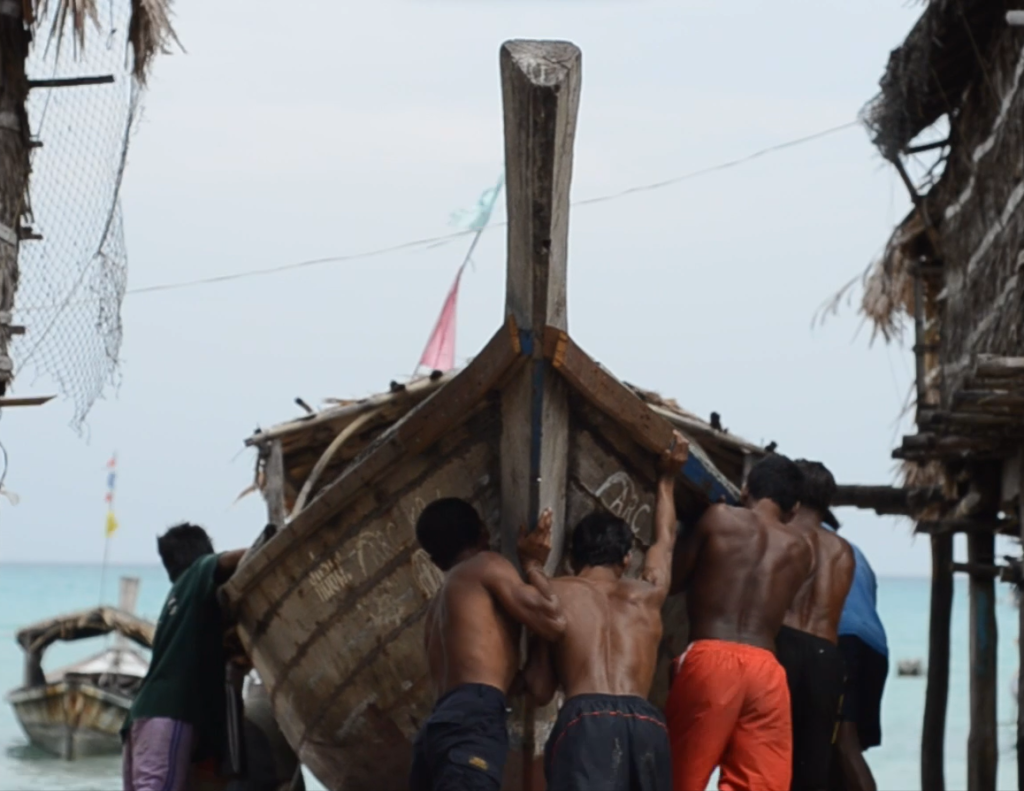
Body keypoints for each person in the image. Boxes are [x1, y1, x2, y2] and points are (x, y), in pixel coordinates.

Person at [522, 431, 689, 790]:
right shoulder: (649, 593)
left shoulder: (554, 592)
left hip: (586, 722)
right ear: (627, 559)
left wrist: (532, 567)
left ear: (571, 557)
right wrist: (668, 478)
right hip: (646, 723)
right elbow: (665, 541)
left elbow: (539, 689)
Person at [665, 453, 814, 791]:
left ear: (746, 489)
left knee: (681, 777)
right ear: (793, 509)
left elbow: (672, 582)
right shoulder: (801, 549)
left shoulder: (718, 518)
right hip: (766, 670)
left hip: (711, 658)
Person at [410, 498, 566, 791]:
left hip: (435, 730)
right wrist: (533, 565)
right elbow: (554, 620)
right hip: (473, 720)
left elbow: (511, 680)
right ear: (483, 532)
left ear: (436, 561)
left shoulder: (435, 611)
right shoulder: (485, 565)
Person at [122, 523, 246, 791]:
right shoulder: (198, 573)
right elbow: (233, 559)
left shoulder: (177, 599)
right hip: (170, 713)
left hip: (141, 717)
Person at [775, 460, 855, 791]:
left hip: (784, 644)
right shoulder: (844, 551)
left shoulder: (784, 538)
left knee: (770, 749)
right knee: (814, 758)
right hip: (827, 654)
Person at [829, 536, 888, 791]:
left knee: (844, 742)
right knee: (849, 745)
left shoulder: (807, 539)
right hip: (874, 646)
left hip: (840, 638)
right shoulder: (856, 552)